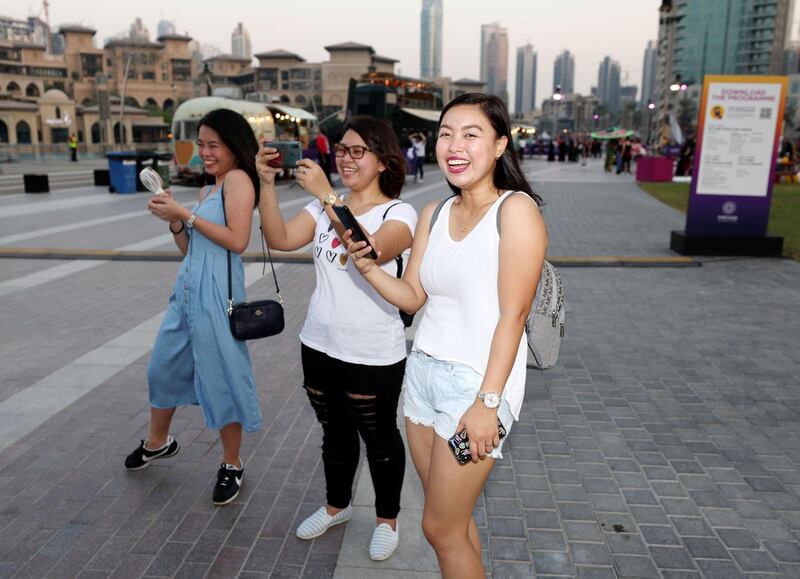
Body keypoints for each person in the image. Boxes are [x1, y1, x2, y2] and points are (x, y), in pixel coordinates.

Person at [344, 93, 547, 578]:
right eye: (446, 134)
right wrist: (370, 269)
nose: (455, 146)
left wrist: (487, 404)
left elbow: (513, 317)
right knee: (452, 524)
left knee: (438, 528)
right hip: (423, 380)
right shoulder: (433, 212)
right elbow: (413, 296)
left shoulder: (515, 211)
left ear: (499, 145)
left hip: (476, 388)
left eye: (471, 135)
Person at [255, 116, 417, 561]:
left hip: (372, 351)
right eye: (341, 150)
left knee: (379, 438)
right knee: (334, 432)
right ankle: (336, 506)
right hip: (319, 343)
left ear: (383, 161)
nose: (345, 159)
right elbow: (280, 238)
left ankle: (387, 519)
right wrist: (267, 185)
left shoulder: (398, 213)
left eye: (357, 151)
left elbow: (369, 249)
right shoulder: (322, 208)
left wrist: (326, 195)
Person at [126, 108, 262, 507]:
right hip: (188, 290)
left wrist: (184, 214)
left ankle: (232, 464)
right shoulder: (208, 190)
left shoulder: (238, 181)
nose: (205, 151)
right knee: (163, 365)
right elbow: (190, 248)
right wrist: (174, 222)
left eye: (213, 144)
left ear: (234, 146)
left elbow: (238, 241)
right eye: (201, 144)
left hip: (218, 294)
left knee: (222, 375)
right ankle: (158, 442)